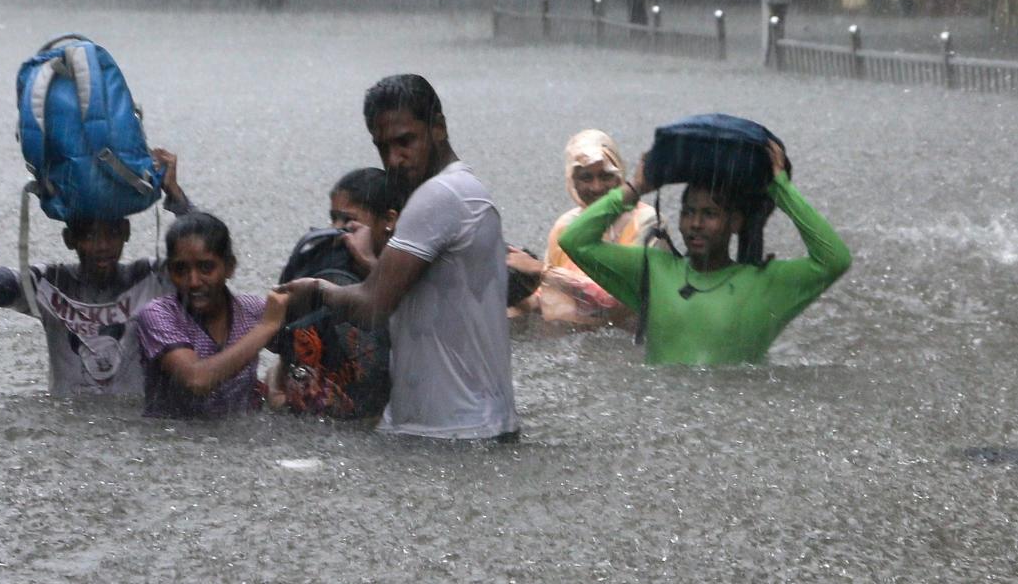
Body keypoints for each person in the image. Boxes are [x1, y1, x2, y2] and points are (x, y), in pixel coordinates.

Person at [280, 74, 519, 440]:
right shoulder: (469, 191)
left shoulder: (438, 195)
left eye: (406, 141)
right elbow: (436, 300)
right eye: (382, 146)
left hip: (449, 434)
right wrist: (372, 266)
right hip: (478, 425)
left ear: (438, 127)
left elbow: (372, 306)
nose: (394, 159)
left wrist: (315, 290)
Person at [0, 148, 193, 397]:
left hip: (134, 424)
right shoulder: (50, 284)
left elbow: (205, 260)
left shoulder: (150, 280)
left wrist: (176, 196)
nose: (102, 246)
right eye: (89, 236)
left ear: (126, 232)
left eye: (111, 234)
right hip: (69, 424)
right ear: (69, 240)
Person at [558, 140, 851, 365]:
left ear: (736, 222)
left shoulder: (767, 282)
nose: (695, 224)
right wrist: (636, 187)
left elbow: (835, 259)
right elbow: (574, 240)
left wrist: (781, 190)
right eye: (688, 213)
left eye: (710, 214)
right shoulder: (654, 269)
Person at [269, 167, 399, 417]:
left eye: (350, 221)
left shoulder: (414, 277)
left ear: (389, 221)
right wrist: (275, 390)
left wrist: (372, 266)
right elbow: (288, 355)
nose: (338, 230)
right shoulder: (322, 268)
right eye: (334, 219)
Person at [136, 211, 289, 419]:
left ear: (229, 267)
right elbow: (197, 380)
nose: (194, 281)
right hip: (173, 439)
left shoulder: (254, 310)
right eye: (181, 269)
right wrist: (266, 328)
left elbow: (301, 351)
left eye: (206, 268)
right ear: (169, 272)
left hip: (239, 437)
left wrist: (276, 383)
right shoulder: (158, 315)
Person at [506, 129, 661, 333]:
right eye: (586, 178)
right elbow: (550, 295)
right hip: (580, 331)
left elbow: (623, 303)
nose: (596, 188)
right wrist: (517, 285)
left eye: (605, 176)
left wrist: (541, 270)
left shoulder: (646, 223)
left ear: (620, 176)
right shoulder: (566, 225)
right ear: (573, 182)